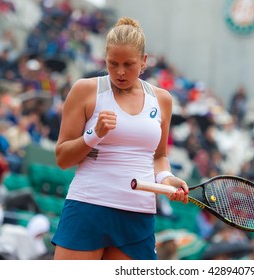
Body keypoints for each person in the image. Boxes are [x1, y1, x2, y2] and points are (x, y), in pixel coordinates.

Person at [51, 16, 188, 260]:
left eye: (129, 64)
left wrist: (167, 180)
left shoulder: (163, 100)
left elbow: (159, 156)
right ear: (104, 59)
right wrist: (94, 135)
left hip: (138, 214)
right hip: (88, 207)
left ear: (144, 62)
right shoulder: (85, 90)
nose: (120, 72)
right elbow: (62, 158)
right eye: (113, 63)